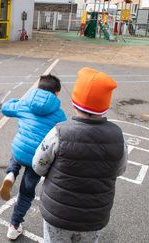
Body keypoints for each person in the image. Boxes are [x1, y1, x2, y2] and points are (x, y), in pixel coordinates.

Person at [32, 67, 128, 243]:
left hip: (58, 214)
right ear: (105, 105)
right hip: (94, 217)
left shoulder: (59, 132)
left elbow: (38, 166)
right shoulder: (118, 137)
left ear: (75, 100)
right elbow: (120, 170)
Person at [0, 74, 67, 240]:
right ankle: (14, 225)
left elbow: (5, 108)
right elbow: (64, 135)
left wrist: (17, 100)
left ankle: (11, 173)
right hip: (38, 159)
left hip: (20, 150)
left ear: (37, 88)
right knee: (26, 192)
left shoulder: (25, 103)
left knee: (18, 152)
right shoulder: (59, 114)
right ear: (57, 93)